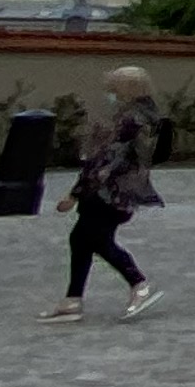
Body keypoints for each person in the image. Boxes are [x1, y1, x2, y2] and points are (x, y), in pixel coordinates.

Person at [44, 66, 162, 324]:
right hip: (126, 190)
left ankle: (138, 282)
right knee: (81, 239)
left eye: (114, 89)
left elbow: (105, 160)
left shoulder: (129, 119)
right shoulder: (147, 116)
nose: (110, 94)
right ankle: (72, 299)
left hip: (109, 193)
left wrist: (76, 193)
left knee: (96, 239)